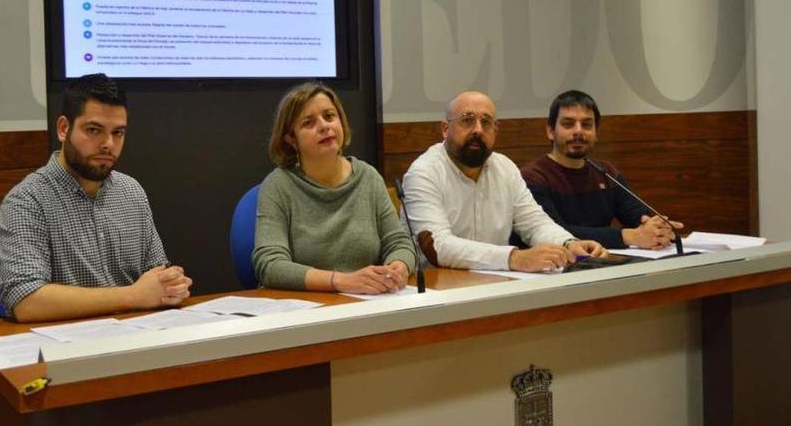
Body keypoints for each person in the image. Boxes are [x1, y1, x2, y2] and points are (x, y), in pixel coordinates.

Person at [0, 73, 192, 322]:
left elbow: (157, 274)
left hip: (135, 338)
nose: (108, 143)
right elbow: (25, 301)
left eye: (118, 132)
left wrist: (171, 284)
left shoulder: (131, 191)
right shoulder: (27, 201)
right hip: (64, 345)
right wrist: (132, 295)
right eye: (94, 130)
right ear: (64, 129)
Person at [401, 91, 606, 273]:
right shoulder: (423, 173)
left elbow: (535, 223)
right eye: (467, 120)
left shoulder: (504, 167)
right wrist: (514, 258)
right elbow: (438, 246)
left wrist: (568, 243)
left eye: (486, 122)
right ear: (445, 129)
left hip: (495, 281)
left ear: (496, 131)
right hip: (436, 288)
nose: (478, 130)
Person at [253, 83, 416, 294]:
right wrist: (341, 281)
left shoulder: (368, 177)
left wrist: (399, 266)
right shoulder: (278, 186)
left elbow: (399, 243)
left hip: (367, 302)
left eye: (329, 116)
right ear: (291, 139)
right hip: (303, 308)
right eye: (309, 123)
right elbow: (270, 265)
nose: (324, 126)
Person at [520, 90, 683, 250]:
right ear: (550, 131)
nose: (578, 131)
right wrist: (628, 236)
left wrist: (658, 228)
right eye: (568, 124)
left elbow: (638, 215)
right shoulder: (533, 177)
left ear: (596, 132)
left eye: (586, 125)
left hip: (605, 263)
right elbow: (552, 232)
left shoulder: (607, 173)